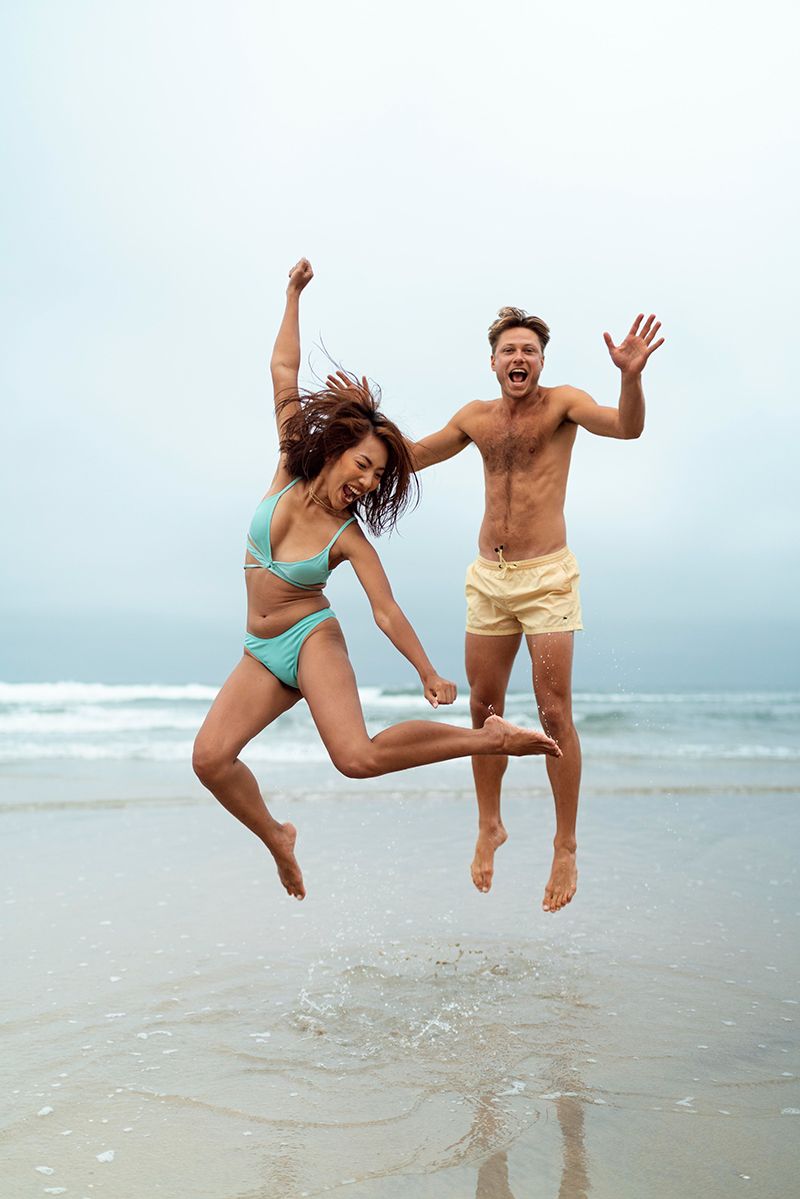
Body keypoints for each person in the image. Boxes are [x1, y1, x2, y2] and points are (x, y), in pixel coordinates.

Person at [193, 263, 561, 900]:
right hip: (261, 649)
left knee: (356, 759)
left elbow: (385, 611)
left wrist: (426, 671)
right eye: (362, 464)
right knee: (209, 760)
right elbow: (284, 371)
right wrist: (292, 295)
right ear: (337, 449)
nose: (365, 482)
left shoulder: (349, 538)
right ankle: (279, 837)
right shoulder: (289, 464)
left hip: (311, 639)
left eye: (376, 477)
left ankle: (488, 737)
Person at [330, 305, 663, 912]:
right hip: (489, 578)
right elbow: (413, 455)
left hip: (547, 578)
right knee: (485, 709)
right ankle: (490, 823)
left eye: (529, 351)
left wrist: (631, 376)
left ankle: (565, 843)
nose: (519, 359)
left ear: (542, 361)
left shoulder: (564, 405)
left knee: (553, 709)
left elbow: (626, 427)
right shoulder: (476, 419)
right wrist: (362, 421)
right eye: (509, 350)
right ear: (493, 362)